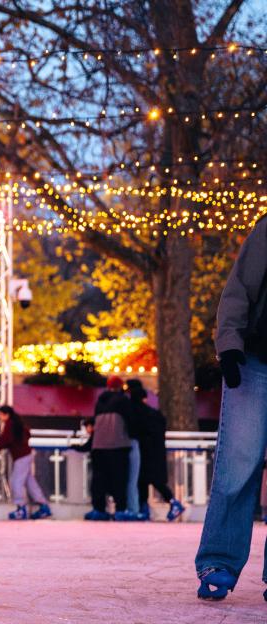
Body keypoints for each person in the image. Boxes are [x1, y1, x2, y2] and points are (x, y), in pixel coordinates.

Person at [195, 215, 267, 601]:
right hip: (254, 362)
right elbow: (239, 289)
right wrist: (229, 345)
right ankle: (219, 560)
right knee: (238, 464)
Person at [125, 379, 184, 522]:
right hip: (157, 450)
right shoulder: (155, 414)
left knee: (143, 480)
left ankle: (144, 508)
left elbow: (133, 430)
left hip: (144, 451)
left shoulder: (134, 411)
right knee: (155, 480)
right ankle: (171, 503)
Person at [85, 376, 136, 521]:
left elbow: (94, 421)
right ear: (120, 387)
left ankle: (99, 508)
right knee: (119, 478)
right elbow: (131, 422)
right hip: (118, 445)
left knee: (99, 479)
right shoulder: (124, 401)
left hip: (99, 445)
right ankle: (120, 509)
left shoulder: (100, 402)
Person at [0, 406, 51, 520]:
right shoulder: (17, 423)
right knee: (29, 482)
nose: (0, 417)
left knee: (16, 481)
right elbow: (23, 435)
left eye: (1, 414)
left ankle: (21, 508)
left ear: (7, 414)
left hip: (21, 456)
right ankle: (43, 506)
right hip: (26, 454)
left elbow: (5, 440)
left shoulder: (10, 424)